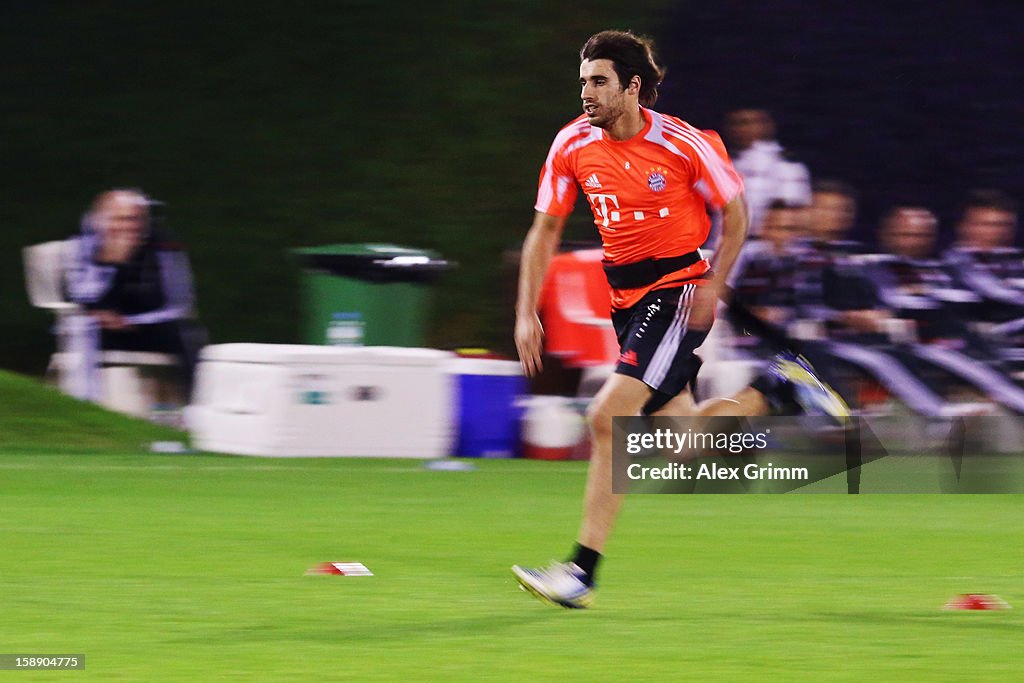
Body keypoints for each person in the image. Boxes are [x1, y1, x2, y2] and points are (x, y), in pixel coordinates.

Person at [511, 30, 847, 609]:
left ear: (633, 86)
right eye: (583, 82)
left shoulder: (684, 143)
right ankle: (777, 387)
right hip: (624, 301)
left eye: (599, 82)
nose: (586, 93)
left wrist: (715, 281)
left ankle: (580, 572)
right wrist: (525, 312)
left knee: (605, 418)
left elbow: (737, 214)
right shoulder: (570, 143)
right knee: (682, 444)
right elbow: (545, 230)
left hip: (678, 292)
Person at [63, 188, 206, 403]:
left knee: (187, 334)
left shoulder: (164, 246)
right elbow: (77, 295)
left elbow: (179, 302)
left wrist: (133, 321)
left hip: (150, 326)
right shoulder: (84, 245)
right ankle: (84, 404)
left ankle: (196, 408)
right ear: (99, 221)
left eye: (134, 219)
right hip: (102, 328)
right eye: (118, 219)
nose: (128, 227)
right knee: (81, 327)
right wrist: (111, 265)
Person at [724, 107, 811, 237]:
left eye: (751, 123)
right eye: (738, 123)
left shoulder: (787, 165)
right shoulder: (720, 163)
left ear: (767, 126)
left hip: (764, 244)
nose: (744, 130)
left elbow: (792, 213)